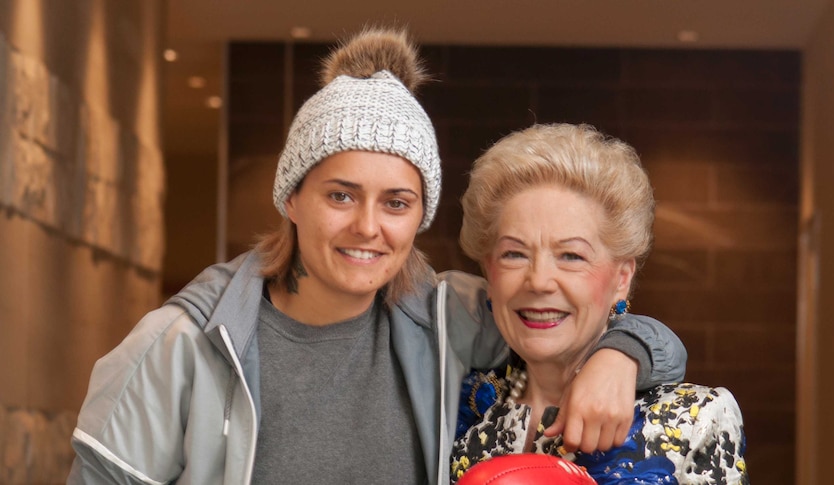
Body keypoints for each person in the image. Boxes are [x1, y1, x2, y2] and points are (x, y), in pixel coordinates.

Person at [67, 29, 687, 485]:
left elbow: (573, 318)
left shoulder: (448, 319)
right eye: (341, 195)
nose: (368, 227)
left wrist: (620, 353)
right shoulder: (180, 346)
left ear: (420, 218)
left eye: (397, 202)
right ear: (292, 198)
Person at [449, 123, 748, 484]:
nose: (539, 281)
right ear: (489, 273)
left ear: (621, 279)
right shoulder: (451, 407)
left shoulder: (694, 421)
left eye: (571, 256)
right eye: (514, 253)